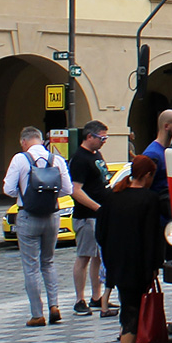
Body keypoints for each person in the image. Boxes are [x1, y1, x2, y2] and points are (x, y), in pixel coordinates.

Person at [97, 155, 164, 343]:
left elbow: (101, 233)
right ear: (146, 176)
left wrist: (110, 258)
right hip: (137, 264)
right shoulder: (149, 199)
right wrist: (154, 266)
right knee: (131, 311)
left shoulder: (113, 196)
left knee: (128, 307)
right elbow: (152, 237)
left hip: (115, 262)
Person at [3, 127, 74, 327]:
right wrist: (49, 196)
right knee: (49, 262)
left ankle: (37, 314)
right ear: (41, 141)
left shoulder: (20, 159)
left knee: (31, 266)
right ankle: (54, 306)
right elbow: (67, 189)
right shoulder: (56, 159)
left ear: (23, 141)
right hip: (52, 215)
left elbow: (8, 189)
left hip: (28, 215)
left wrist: (26, 194)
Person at [143, 109, 172, 332]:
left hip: (169, 221)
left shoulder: (165, 152)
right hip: (160, 222)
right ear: (167, 126)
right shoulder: (154, 154)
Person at [69, 120, 113, 317]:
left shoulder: (97, 155)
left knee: (98, 257)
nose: (104, 141)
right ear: (89, 137)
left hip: (100, 216)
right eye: (101, 138)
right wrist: (97, 208)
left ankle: (97, 297)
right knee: (84, 256)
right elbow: (75, 191)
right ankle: (80, 299)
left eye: (106, 138)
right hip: (87, 216)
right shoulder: (79, 158)